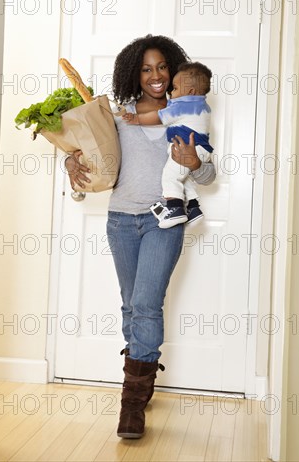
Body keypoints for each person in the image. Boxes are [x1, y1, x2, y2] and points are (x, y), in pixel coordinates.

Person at [65, 34, 216, 440]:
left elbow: (206, 172)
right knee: (131, 306)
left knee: (147, 305)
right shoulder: (117, 115)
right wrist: (70, 162)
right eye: (146, 68)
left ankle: (131, 405)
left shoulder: (188, 109)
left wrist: (194, 163)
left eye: (162, 67)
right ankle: (142, 379)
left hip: (163, 221)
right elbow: (90, 159)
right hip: (120, 220)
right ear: (134, 72)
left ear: (175, 70)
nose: (155, 76)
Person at [122, 61, 213, 228]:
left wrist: (136, 118)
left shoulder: (183, 105)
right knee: (182, 178)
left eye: (176, 88)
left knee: (170, 176)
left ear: (190, 92)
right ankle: (193, 208)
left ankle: (176, 210)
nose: (172, 92)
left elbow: (158, 117)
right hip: (201, 148)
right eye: (146, 69)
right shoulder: (203, 106)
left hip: (186, 148)